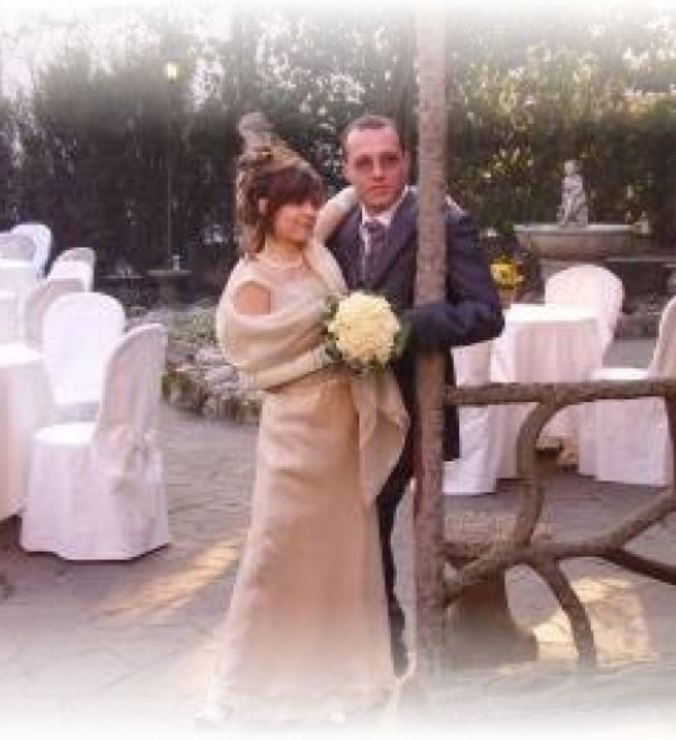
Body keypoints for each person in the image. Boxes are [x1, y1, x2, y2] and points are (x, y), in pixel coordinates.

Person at [203, 114, 409, 724]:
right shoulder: (253, 281)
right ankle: (256, 687)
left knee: (344, 562)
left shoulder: (314, 249)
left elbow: (348, 197)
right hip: (295, 439)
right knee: (279, 561)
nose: (308, 211)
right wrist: (331, 352)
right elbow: (258, 370)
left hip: (344, 433)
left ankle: (346, 681)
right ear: (266, 208)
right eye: (295, 203)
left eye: (311, 201)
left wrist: (428, 196)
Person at [318, 114, 505, 677]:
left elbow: (486, 313)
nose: (378, 172)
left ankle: (395, 648)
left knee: (377, 520)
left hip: (412, 409)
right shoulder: (335, 230)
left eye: (389, 159)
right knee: (356, 528)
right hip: (349, 411)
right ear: (347, 169)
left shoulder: (443, 221)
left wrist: (405, 326)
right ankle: (379, 643)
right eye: (364, 162)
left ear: (406, 160)